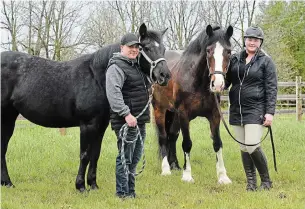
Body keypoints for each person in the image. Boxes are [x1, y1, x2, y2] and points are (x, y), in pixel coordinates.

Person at [225, 26, 278, 191]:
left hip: (256, 108)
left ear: (260, 42)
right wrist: (217, 83)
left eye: (255, 40)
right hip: (236, 109)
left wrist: (269, 112)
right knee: (243, 146)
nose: (252, 42)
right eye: (249, 39)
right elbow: (227, 82)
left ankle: (266, 182)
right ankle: (251, 184)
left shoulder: (266, 61)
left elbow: (271, 88)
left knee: (252, 145)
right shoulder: (235, 59)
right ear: (245, 40)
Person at [106, 33, 151, 198]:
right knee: (125, 157)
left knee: (135, 157)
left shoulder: (136, 66)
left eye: (136, 47)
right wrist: (126, 114)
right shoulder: (116, 67)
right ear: (121, 48)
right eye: (130, 47)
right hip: (126, 121)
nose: (134, 50)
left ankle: (131, 192)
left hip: (139, 120)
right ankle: (122, 193)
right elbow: (113, 93)